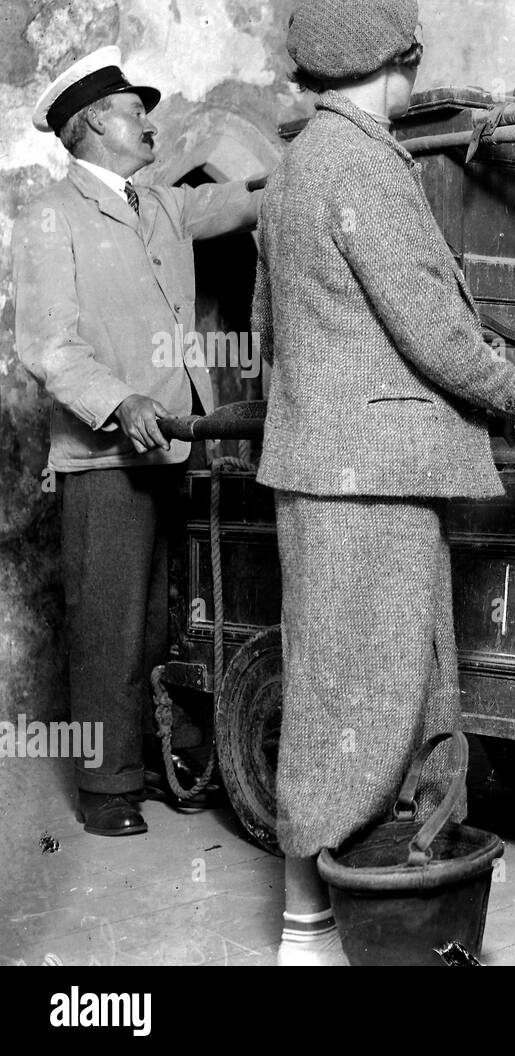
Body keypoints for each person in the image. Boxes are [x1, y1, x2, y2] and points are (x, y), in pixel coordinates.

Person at [255, 0, 515, 966]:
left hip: (326, 472)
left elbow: (274, 337)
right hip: (372, 481)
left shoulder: (293, 169)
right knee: (369, 703)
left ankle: (320, 919)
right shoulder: (364, 164)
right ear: (403, 60)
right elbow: (428, 322)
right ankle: (317, 932)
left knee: (340, 695)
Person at [14, 46, 263, 838]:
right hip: (107, 452)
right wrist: (118, 402)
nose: (148, 121)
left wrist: (313, 157)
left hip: (177, 443)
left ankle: (156, 759)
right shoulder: (51, 215)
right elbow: (48, 345)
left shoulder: (156, 205)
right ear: (91, 124)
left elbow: (235, 202)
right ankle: (106, 788)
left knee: (163, 620)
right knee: (110, 623)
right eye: (133, 108)